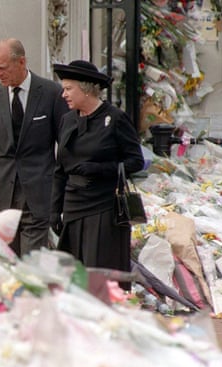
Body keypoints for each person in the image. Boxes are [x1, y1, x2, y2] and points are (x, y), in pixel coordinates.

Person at [0, 38, 69, 256]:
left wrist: (61, 191)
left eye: (3, 67)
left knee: (30, 264)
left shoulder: (52, 93)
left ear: (21, 62)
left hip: (39, 194)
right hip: (0, 197)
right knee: (4, 263)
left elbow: (65, 146)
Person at [50, 60, 145, 280]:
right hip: (73, 207)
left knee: (100, 276)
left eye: (68, 89)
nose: (63, 95)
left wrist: (99, 169)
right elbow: (60, 169)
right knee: (71, 276)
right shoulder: (67, 120)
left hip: (104, 208)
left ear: (86, 89)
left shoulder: (115, 119)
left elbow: (135, 161)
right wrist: (54, 210)